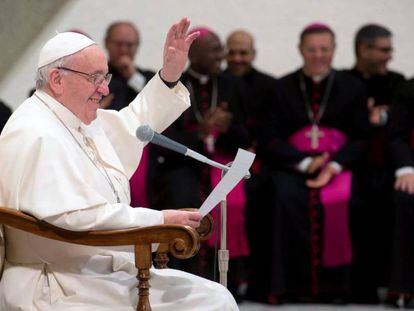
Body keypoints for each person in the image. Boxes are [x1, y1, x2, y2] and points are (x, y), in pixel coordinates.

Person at [0, 18, 238, 310]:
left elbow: (132, 124)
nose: (103, 90)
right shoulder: (34, 131)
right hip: (60, 280)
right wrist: (159, 221)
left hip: (94, 268)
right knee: (213, 300)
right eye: (94, 78)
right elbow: (75, 216)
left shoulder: (69, 117)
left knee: (214, 296)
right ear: (57, 80)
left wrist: (169, 75)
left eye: (105, 78)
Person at [260, 23, 370, 303]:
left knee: (346, 200)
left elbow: (361, 139)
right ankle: (288, 288)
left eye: (324, 49)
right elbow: (269, 139)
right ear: (300, 50)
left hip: (338, 167)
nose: (318, 55)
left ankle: (338, 288)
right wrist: (304, 162)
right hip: (293, 167)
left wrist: (333, 165)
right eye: (312, 49)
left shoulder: (353, 88)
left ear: (334, 51)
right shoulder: (281, 88)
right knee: (283, 197)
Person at [149, 26, 250, 300]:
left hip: (221, 161)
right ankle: (182, 278)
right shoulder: (172, 85)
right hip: (184, 163)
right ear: (195, 54)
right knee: (183, 199)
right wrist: (201, 132)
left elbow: (248, 134)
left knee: (236, 202)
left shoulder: (232, 84)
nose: (222, 55)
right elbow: (162, 137)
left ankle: (231, 280)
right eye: (216, 49)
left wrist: (227, 128)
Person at [344, 24, 405, 303]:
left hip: (388, 168)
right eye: (383, 50)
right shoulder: (344, 82)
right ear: (363, 49)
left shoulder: (397, 83)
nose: (388, 56)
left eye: (389, 49)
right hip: (353, 166)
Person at [225, 29, 278, 302]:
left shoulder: (269, 85)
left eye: (243, 53)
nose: (237, 58)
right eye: (232, 52)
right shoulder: (217, 82)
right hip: (223, 161)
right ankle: (228, 280)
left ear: (253, 54)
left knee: (266, 204)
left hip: (261, 162)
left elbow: (273, 128)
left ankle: (259, 284)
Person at [103, 21, 156, 208]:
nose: (124, 50)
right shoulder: (96, 76)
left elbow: (154, 103)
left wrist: (131, 75)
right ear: (106, 43)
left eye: (130, 45)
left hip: (140, 147)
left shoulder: (146, 77)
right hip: (105, 147)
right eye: (119, 44)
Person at [387, 78, 414, 309]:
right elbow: (396, 135)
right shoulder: (408, 87)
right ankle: (404, 286)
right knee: (406, 196)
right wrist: (406, 168)